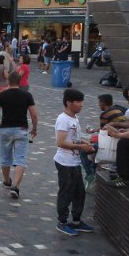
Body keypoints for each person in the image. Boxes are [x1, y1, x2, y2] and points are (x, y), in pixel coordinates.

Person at [53, 89, 95, 236]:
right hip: (65, 162)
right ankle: (62, 222)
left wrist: (84, 143)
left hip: (74, 161)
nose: (81, 105)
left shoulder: (74, 119)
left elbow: (73, 138)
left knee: (79, 192)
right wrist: (80, 147)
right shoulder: (63, 119)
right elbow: (61, 142)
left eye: (81, 101)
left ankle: (76, 221)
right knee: (66, 192)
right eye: (78, 102)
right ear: (69, 103)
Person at [0, 71, 38, 199]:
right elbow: (34, 115)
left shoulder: (2, 95)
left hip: (6, 129)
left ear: (8, 81)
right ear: (20, 82)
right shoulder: (27, 95)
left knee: (5, 157)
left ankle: (7, 181)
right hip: (21, 129)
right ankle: (16, 187)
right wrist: (34, 128)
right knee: (20, 159)